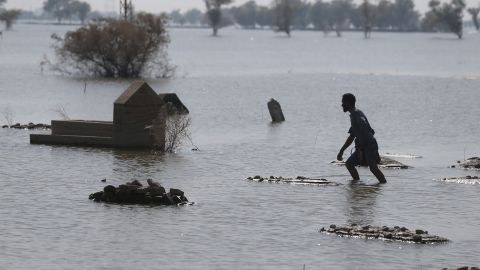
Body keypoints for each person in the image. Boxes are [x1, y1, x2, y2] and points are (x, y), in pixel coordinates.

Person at [337, 93, 387, 184]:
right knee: (349, 164)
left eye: (343, 102)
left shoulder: (356, 114)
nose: (342, 105)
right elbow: (352, 136)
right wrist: (341, 151)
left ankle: (384, 185)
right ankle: (357, 185)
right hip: (365, 144)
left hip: (367, 145)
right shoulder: (355, 114)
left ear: (348, 103)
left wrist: (361, 149)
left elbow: (364, 129)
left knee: (373, 168)